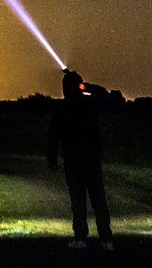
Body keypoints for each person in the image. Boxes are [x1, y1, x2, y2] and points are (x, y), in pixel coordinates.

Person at [47, 68, 114, 250]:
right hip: (91, 159)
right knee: (98, 199)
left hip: (73, 160)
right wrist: (86, 86)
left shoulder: (62, 107)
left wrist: (52, 156)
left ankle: (81, 239)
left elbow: (53, 134)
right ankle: (106, 239)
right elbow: (103, 94)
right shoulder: (89, 103)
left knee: (78, 201)